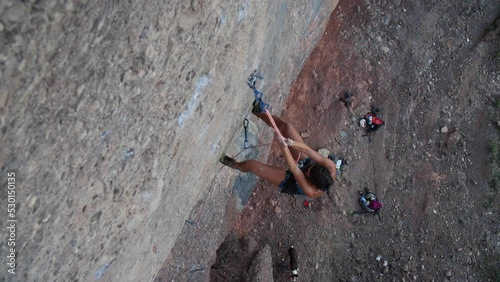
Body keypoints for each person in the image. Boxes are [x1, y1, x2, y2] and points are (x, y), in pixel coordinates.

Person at [219, 99, 336, 198]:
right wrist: (291, 143)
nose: (306, 169)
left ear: (312, 182)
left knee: (251, 165)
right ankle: (259, 112)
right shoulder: (330, 167)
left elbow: (294, 169)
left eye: (307, 172)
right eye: (310, 168)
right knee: (287, 128)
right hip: (304, 161)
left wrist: (283, 147)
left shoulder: (310, 191)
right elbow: (308, 150)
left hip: (293, 182)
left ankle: (235, 164)